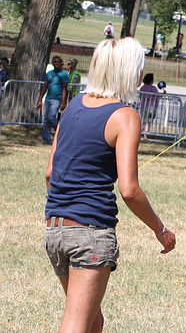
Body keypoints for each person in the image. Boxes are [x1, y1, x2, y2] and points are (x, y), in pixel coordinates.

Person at [44, 38, 176, 333]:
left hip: (54, 228)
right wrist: (161, 230)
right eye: (139, 67)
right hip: (89, 233)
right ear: (128, 72)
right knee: (78, 323)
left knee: (93, 322)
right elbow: (129, 190)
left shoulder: (75, 104)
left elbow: (51, 173)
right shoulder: (125, 117)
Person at [36, 56, 69, 144]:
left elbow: (64, 88)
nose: (57, 63)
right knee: (45, 119)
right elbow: (45, 87)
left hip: (57, 99)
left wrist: (63, 102)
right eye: (55, 62)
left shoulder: (63, 74)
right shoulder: (49, 74)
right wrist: (40, 100)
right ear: (52, 63)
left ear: (61, 63)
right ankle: (46, 139)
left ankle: (60, 131)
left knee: (51, 116)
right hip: (48, 98)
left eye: (58, 62)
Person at [139, 73, 160, 141]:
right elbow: (157, 96)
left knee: (143, 121)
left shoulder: (143, 88)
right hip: (151, 107)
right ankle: (145, 135)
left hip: (143, 106)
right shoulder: (153, 88)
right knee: (148, 122)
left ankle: (139, 134)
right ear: (151, 80)